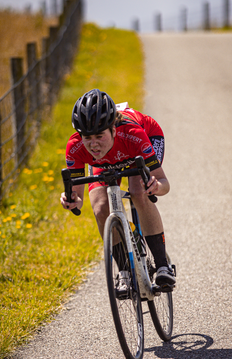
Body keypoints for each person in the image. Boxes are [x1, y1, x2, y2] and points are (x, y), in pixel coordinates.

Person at [60, 88, 175, 288]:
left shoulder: (133, 134)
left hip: (136, 148)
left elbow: (164, 184)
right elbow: (77, 196)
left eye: (99, 136)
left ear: (113, 129)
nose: (93, 144)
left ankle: (163, 265)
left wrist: (155, 186)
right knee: (100, 206)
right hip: (106, 161)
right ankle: (124, 272)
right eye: (87, 137)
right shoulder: (75, 147)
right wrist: (71, 200)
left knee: (139, 192)